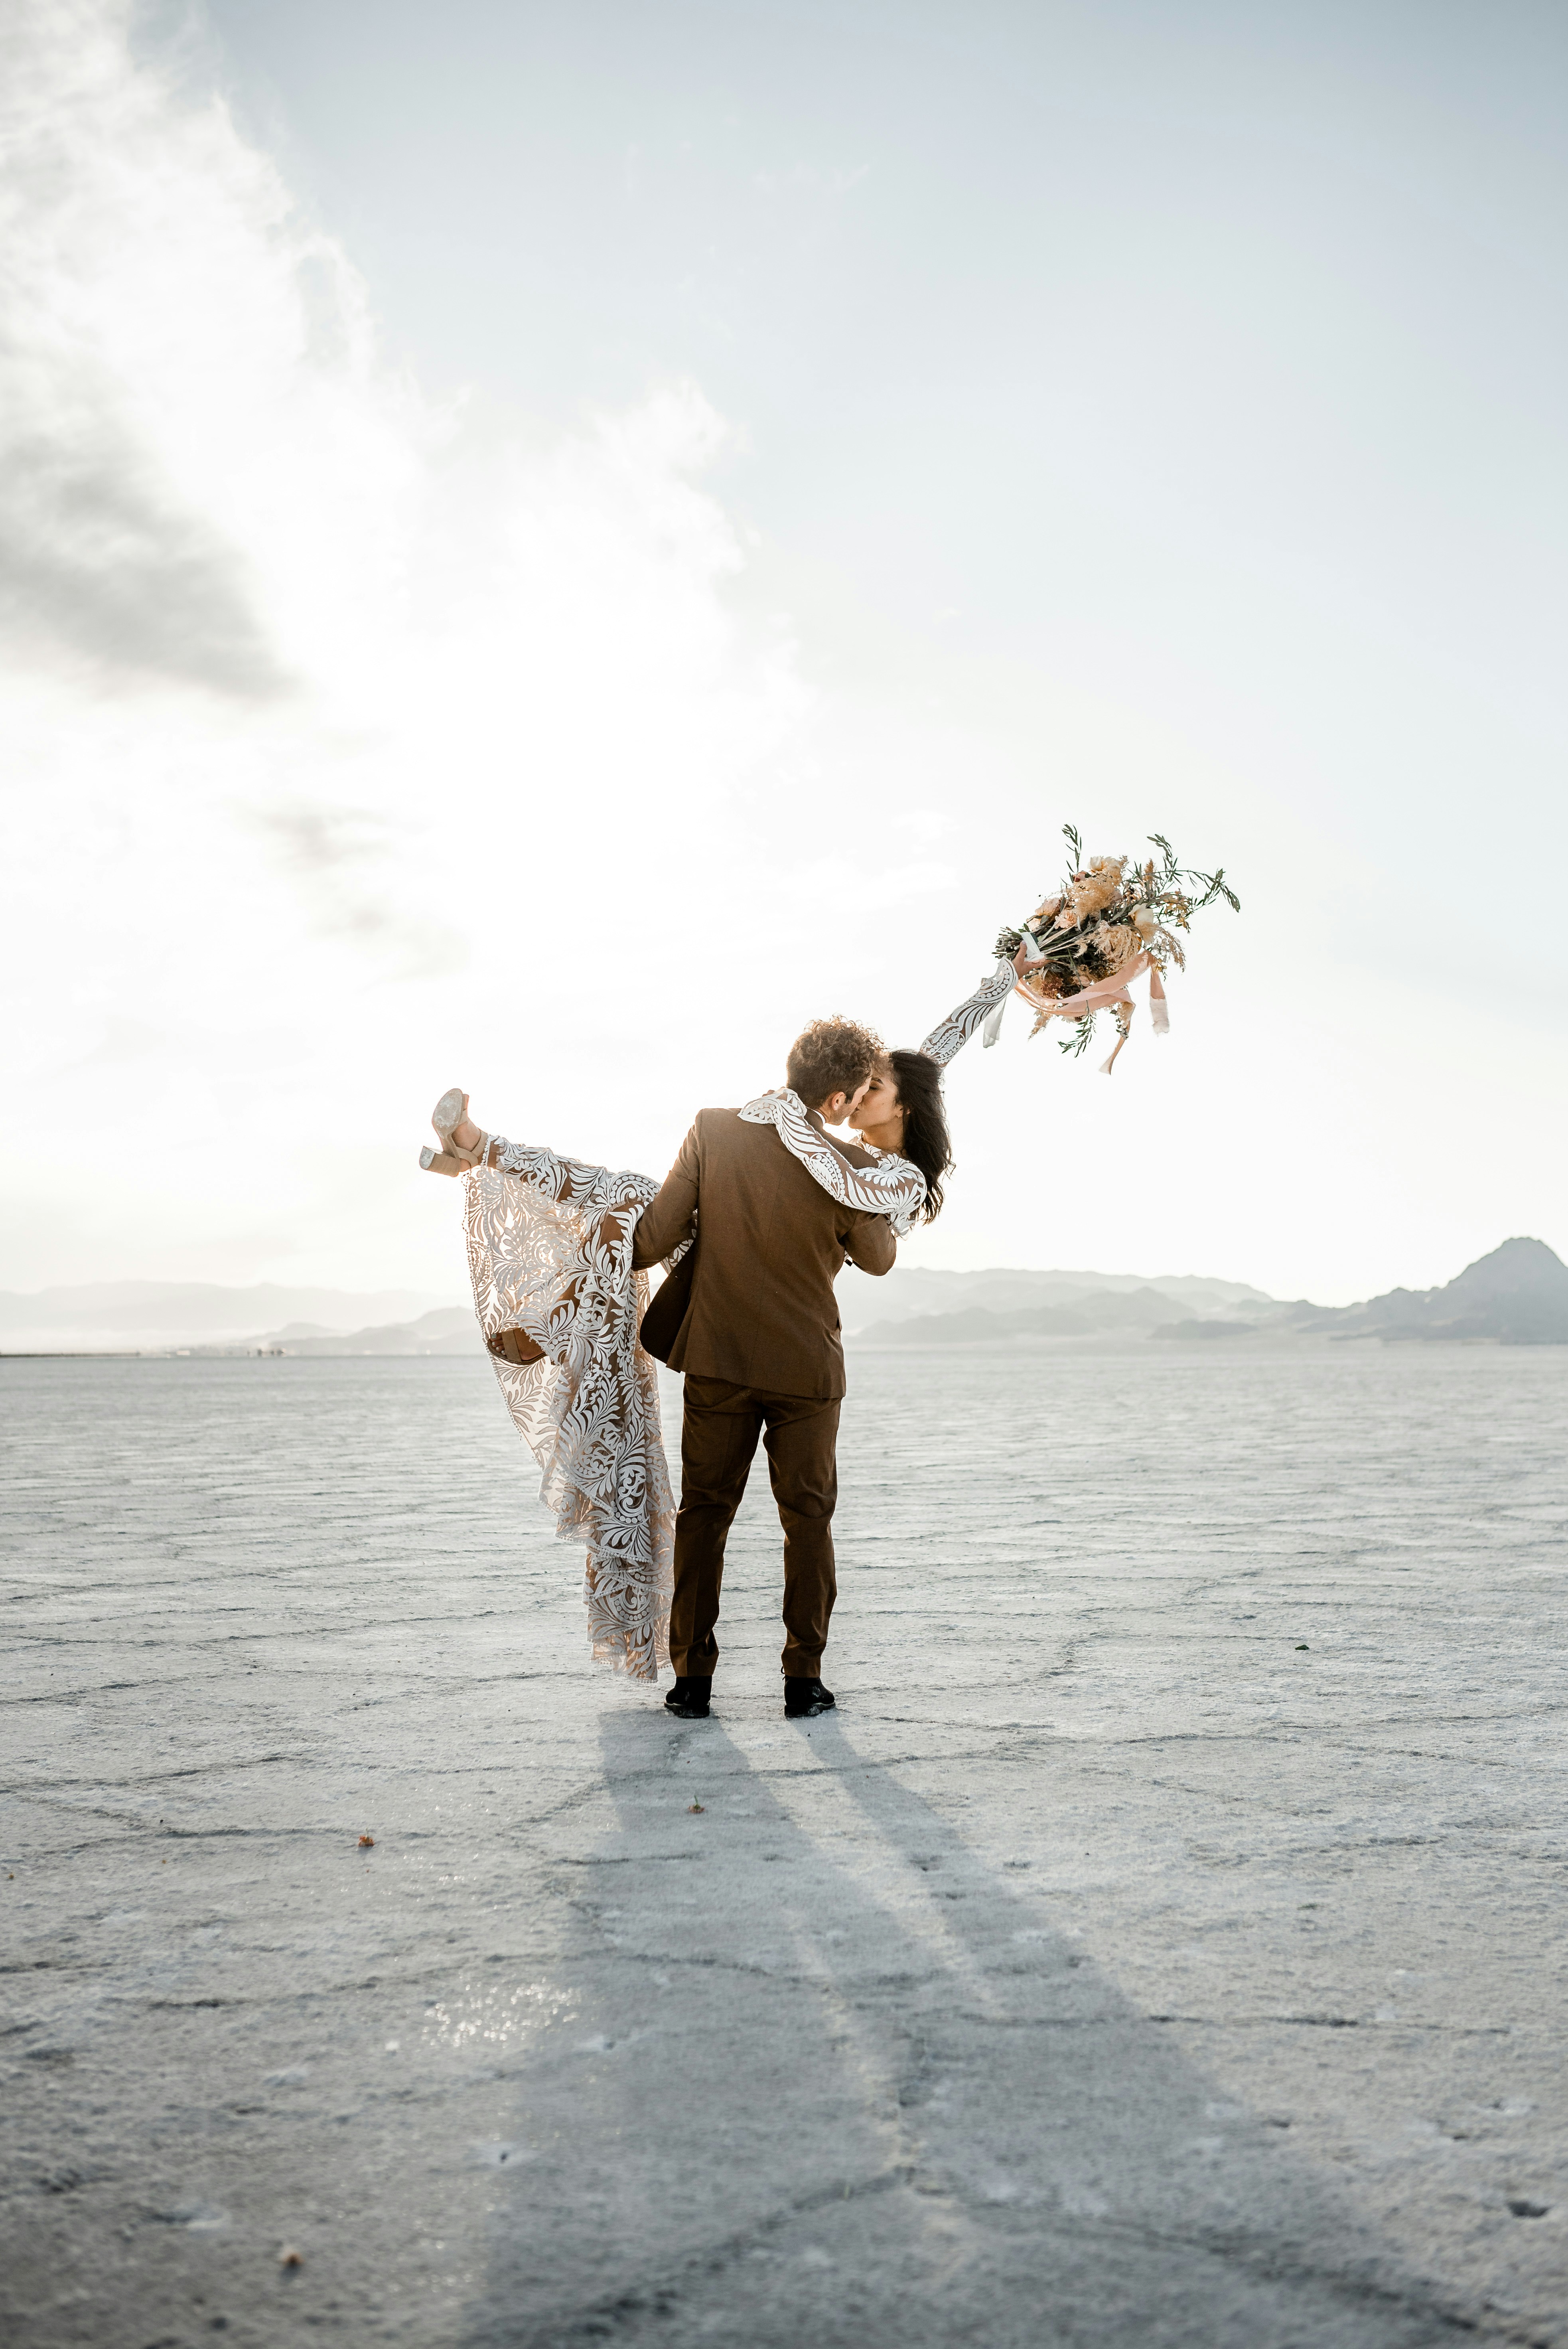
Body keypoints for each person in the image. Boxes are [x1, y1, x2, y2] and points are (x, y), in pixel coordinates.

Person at [426, 951, 1025, 1709]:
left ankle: (692, 1684)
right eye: (862, 1084)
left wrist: (1006, 980)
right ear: (840, 1094)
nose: (868, 1092)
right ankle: (803, 1681)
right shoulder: (845, 1160)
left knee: (705, 1515)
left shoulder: (757, 1137)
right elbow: (878, 1254)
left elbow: (651, 1241)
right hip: (805, 1367)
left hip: (720, 1354)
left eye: (879, 1087)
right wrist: (1003, 980)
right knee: (806, 1523)